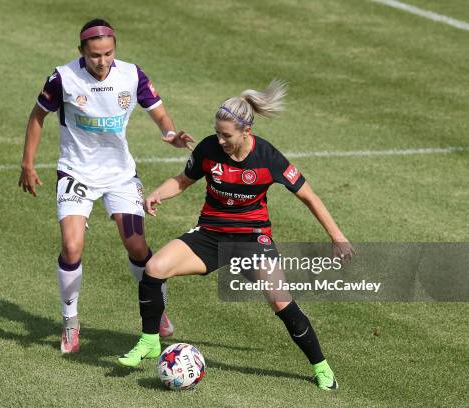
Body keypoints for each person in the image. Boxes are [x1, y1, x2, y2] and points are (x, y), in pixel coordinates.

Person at [117, 80, 355, 391]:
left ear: (246, 131)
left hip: (252, 239)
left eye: (226, 135)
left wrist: (337, 237)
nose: (220, 140)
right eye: (217, 132)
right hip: (211, 235)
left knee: (281, 302)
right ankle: (149, 341)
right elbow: (183, 180)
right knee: (155, 268)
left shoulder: (268, 157)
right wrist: (157, 195)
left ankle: (322, 368)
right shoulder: (208, 149)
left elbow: (309, 196)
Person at [18, 18, 194, 353]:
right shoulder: (63, 78)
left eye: (108, 53)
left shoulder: (131, 74)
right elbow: (37, 116)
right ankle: (70, 321)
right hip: (76, 173)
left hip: (119, 176)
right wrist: (27, 162)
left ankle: (156, 312)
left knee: (137, 247)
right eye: (95, 55)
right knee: (72, 247)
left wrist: (171, 134)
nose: (102, 61)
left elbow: (159, 113)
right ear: (81, 51)